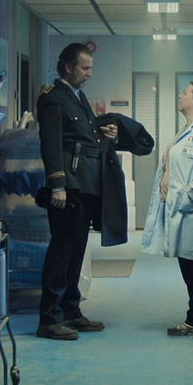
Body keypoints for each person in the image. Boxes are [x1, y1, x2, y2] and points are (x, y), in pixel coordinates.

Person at [34, 43, 118, 340]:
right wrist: (58, 184)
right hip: (67, 186)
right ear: (68, 67)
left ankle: (71, 311)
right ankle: (49, 318)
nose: (89, 73)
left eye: (90, 68)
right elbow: (52, 144)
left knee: (75, 251)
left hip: (84, 186)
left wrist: (105, 131)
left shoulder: (77, 97)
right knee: (61, 251)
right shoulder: (53, 98)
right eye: (85, 68)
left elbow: (84, 133)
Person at [141, 81, 193, 338]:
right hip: (182, 208)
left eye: (185, 93)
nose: (180, 95)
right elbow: (173, 158)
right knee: (187, 263)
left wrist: (189, 191)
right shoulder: (187, 129)